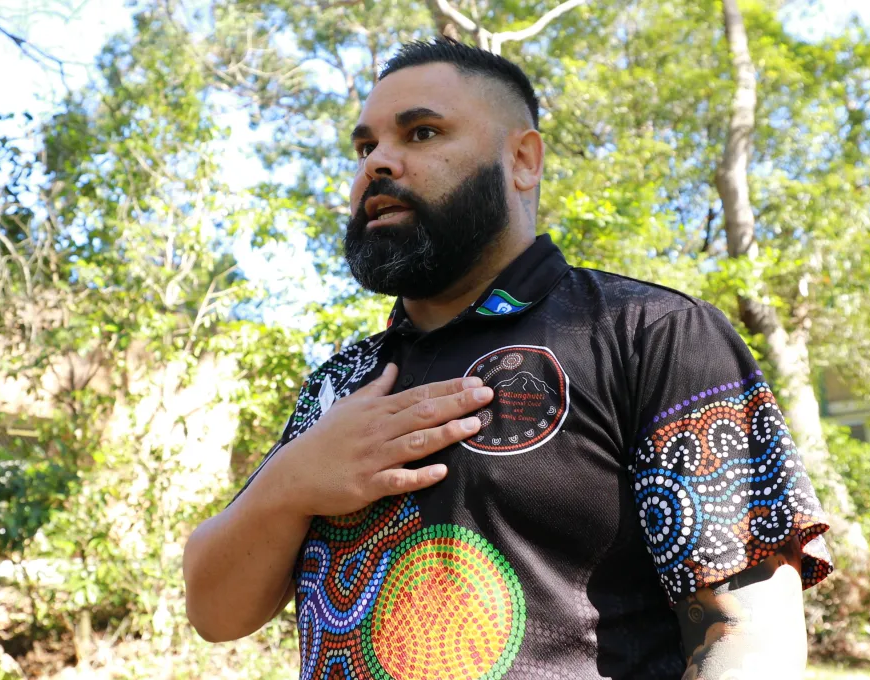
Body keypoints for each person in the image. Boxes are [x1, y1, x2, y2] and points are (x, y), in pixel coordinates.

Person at [183, 38, 833, 679]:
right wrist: (292, 481)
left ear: (522, 160)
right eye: (365, 145)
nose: (378, 162)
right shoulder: (338, 386)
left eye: (422, 133)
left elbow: (748, 635)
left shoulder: (650, 335)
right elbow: (216, 613)